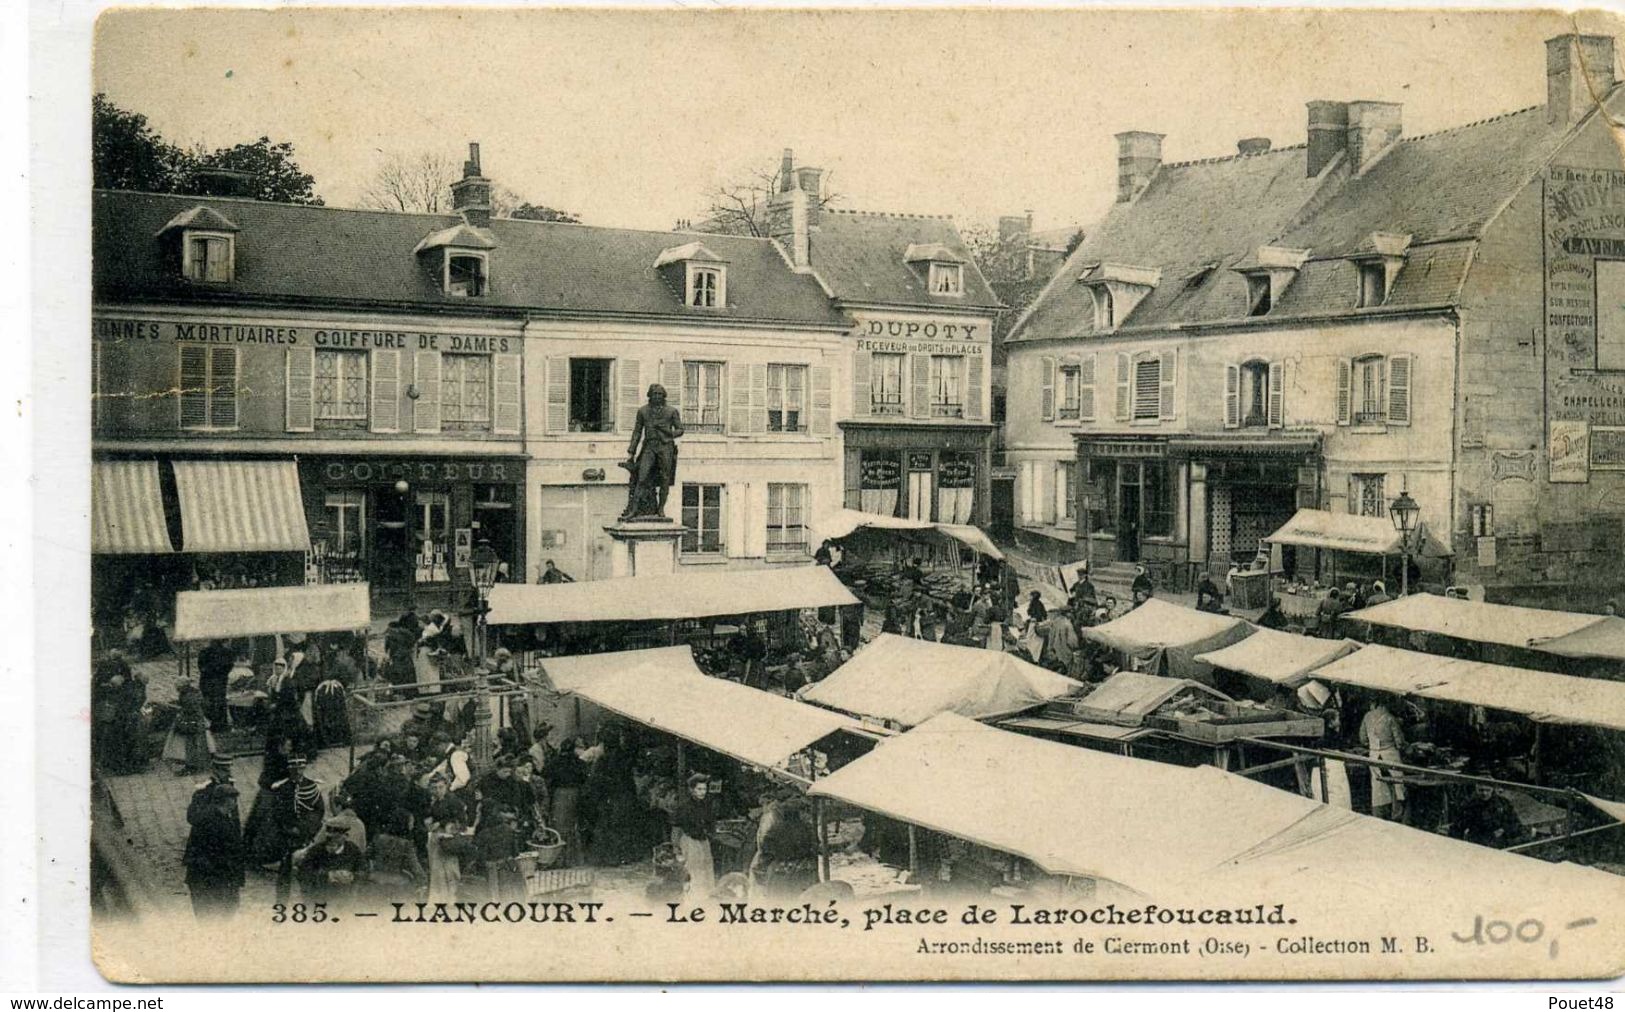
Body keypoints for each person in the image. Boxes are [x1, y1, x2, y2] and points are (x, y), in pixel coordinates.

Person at [183, 754, 246, 919]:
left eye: (229, 768)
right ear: (215, 770)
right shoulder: (203, 790)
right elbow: (193, 817)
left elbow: (234, 819)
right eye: (224, 769)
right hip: (205, 852)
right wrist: (215, 810)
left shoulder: (230, 787)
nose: (228, 772)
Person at [621, 383, 684, 520]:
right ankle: (634, 510)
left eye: (660, 394)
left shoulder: (671, 411)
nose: (657, 396)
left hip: (665, 446)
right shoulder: (643, 411)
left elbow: (680, 430)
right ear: (649, 395)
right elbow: (637, 432)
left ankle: (661, 509)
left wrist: (668, 433)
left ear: (664, 396)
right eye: (654, 394)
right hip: (650, 446)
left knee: (665, 479)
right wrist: (631, 451)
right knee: (641, 477)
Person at [294, 818, 367, 905]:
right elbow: (303, 874)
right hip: (320, 898)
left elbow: (363, 870)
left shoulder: (353, 850)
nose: (332, 842)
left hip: (345, 899)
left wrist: (351, 876)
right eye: (329, 838)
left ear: (346, 836)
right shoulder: (316, 850)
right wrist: (328, 876)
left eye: (337, 837)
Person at [1358, 699, 1408, 822]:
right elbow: (1400, 742)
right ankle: (1397, 816)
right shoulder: (1389, 718)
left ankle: (1379, 817)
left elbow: (1362, 739)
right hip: (1390, 756)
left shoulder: (1367, 717)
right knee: (1398, 786)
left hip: (1374, 756)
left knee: (1378, 788)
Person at [671, 773, 717, 899]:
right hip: (689, 840)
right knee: (692, 869)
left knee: (706, 866)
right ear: (692, 790)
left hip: (703, 840)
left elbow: (709, 823)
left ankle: (705, 896)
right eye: (699, 789)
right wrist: (676, 847)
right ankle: (691, 896)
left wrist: (710, 833)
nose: (702, 792)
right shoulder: (684, 807)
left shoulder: (706, 805)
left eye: (704, 789)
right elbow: (676, 827)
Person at [545, 736, 588, 865]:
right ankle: (573, 859)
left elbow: (545, 773)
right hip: (575, 794)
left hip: (560, 795)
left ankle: (559, 858)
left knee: (559, 825)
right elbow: (584, 778)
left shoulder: (555, 761)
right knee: (573, 826)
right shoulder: (579, 763)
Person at [162, 682, 215, 776]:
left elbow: (189, 708)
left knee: (190, 744)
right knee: (201, 743)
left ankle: (191, 765)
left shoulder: (187, 695)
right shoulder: (194, 692)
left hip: (191, 721)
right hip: (199, 721)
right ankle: (202, 764)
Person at [1453, 783, 1523, 848]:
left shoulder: (1503, 803)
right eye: (1481, 790)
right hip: (1476, 841)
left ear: (1492, 789)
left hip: (1498, 842)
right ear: (1476, 789)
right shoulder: (1470, 804)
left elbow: (1515, 823)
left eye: (1487, 790)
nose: (1484, 793)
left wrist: (1504, 829)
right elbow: (1458, 825)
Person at [197, 639, 235, 731]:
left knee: (210, 701)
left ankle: (212, 722)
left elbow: (201, 666)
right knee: (219, 701)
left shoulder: (204, 652)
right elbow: (229, 666)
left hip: (208, 680)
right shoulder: (227, 652)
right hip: (220, 680)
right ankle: (220, 724)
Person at [1036, 610, 1080, 677]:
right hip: (1066, 652)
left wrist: (1050, 649)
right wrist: (1075, 648)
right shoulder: (1068, 624)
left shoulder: (1054, 623)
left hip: (1056, 651)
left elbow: (1050, 638)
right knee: (1066, 671)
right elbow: (1072, 642)